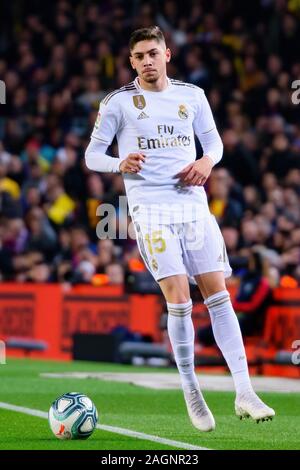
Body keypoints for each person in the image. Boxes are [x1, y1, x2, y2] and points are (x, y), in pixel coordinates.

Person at [85, 26, 275, 432]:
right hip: (151, 213)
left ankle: (244, 391)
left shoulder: (192, 96)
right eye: (139, 56)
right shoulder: (117, 103)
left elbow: (215, 143)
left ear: (168, 53)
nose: (148, 61)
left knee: (219, 296)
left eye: (154, 52)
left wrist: (207, 163)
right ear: (131, 61)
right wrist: (118, 163)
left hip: (193, 210)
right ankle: (191, 388)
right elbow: (91, 156)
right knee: (179, 298)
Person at [198, 249, 272, 346]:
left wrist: (234, 306)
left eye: (251, 260)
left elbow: (253, 306)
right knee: (204, 333)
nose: (248, 263)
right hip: (238, 316)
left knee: (215, 333)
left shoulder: (263, 283)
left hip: (251, 321)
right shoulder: (245, 279)